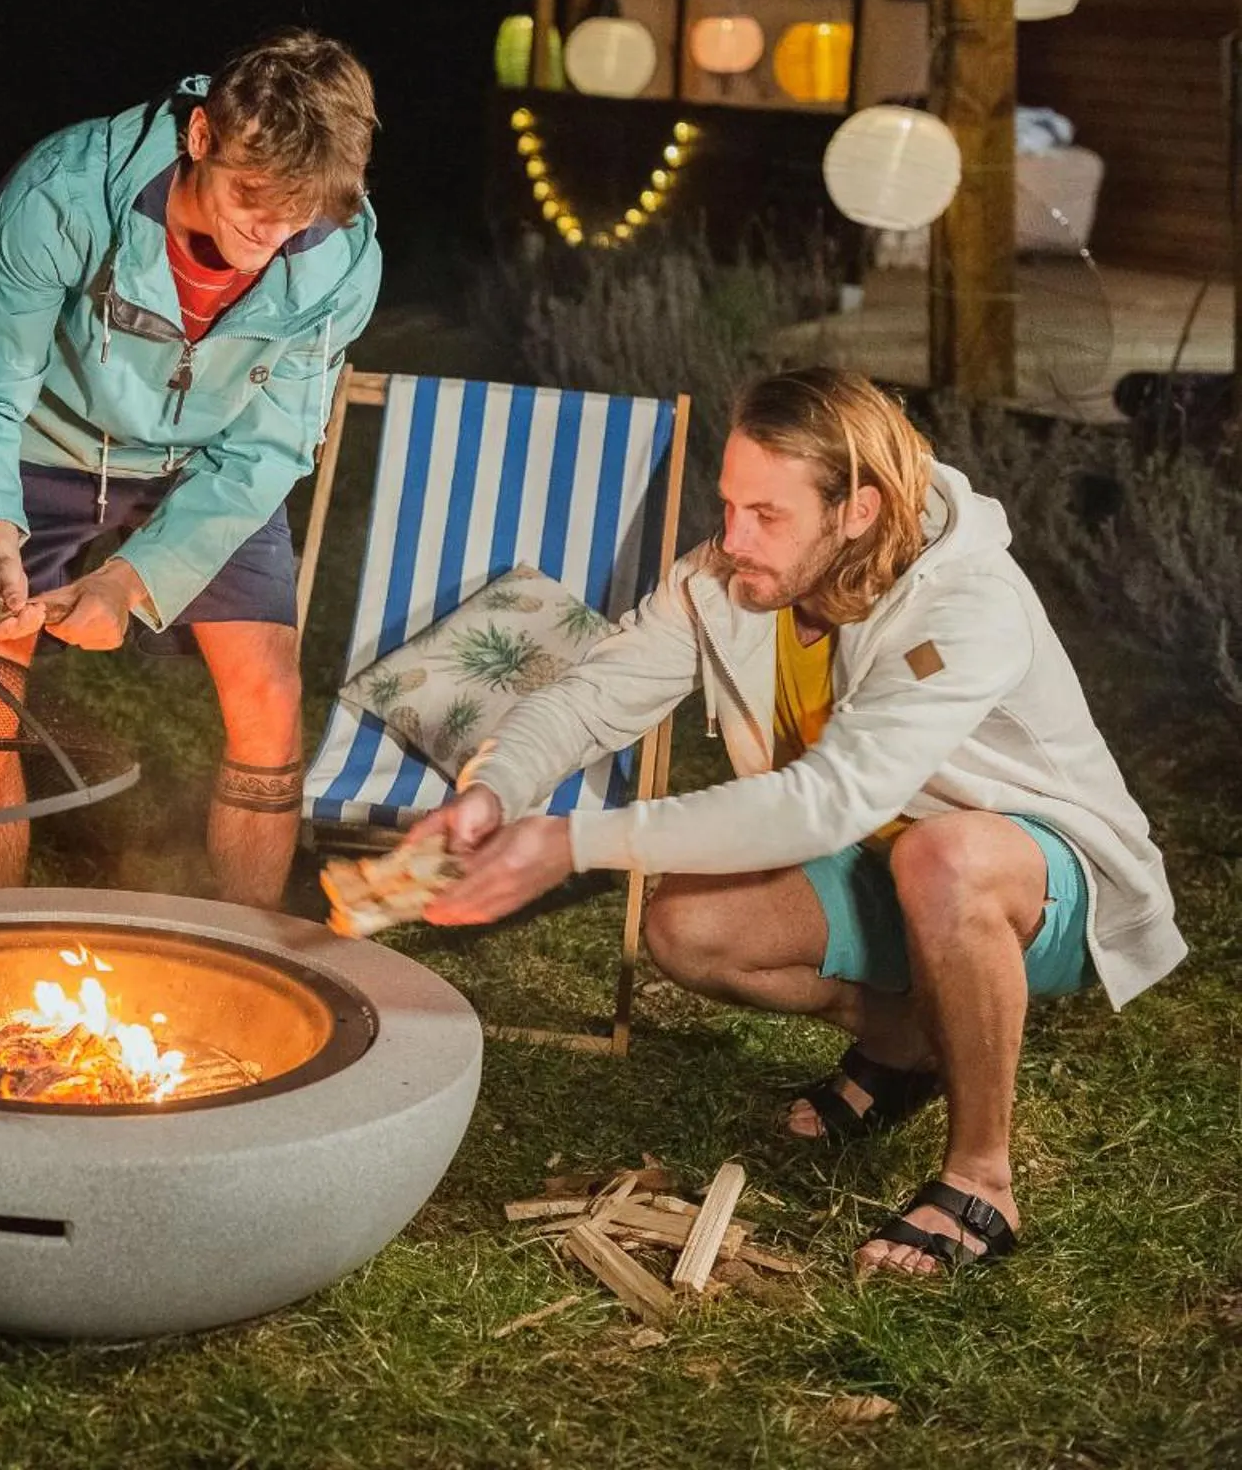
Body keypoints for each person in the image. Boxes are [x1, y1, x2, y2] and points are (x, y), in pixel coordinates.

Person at [412, 368, 1183, 1275]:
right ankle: (909, 1043)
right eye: (730, 505)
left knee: (945, 857)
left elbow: (829, 799)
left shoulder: (969, 605)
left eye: (767, 515)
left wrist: (575, 843)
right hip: (876, 859)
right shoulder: (729, 580)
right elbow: (591, 698)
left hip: (1042, 882)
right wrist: (494, 790)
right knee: (688, 925)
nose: (732, 539)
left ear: (858, 510)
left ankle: (981, 1180)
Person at [0, 26, 382, 909]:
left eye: (301, 213)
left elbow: (269, 448)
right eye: (254, 197)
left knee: (269, 690)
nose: (273, 232)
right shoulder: (66, 192)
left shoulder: (341, 258)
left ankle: (247, 950)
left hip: (209, 460)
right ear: (202, 135)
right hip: (45, 442)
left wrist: (129, 583)